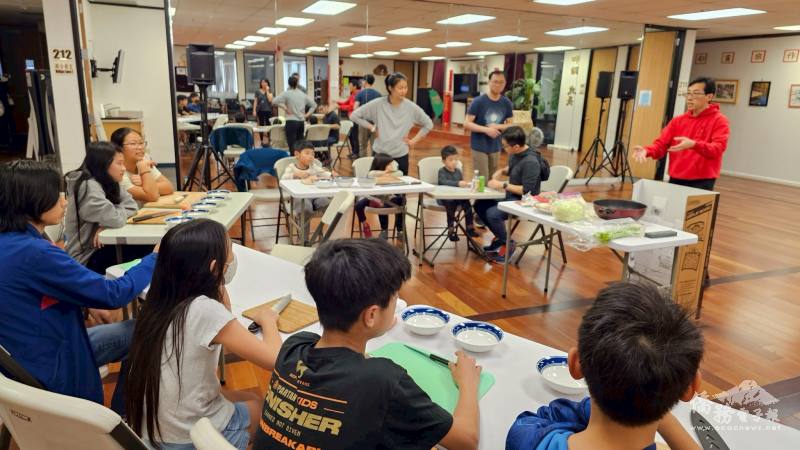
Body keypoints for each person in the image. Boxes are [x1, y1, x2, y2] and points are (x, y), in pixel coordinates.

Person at [252, 239, 481, 450]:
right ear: (371, 315)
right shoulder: (384, 380)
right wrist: (468, 382)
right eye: (395, 298)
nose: (396, 305)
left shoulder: (295, 346)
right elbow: (466, 440)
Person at [0, 160, 156, 406]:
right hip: (53, 361)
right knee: (152, 331)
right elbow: (113, 294)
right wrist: (156, 257)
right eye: (57, 195)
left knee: (140, 330)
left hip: (25, 357)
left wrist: (84, 305)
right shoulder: (35, 252)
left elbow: (31, 294)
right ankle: (121, 418)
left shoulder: (12, 242)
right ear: (33, 200)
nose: (64, 202)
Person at [126, 219, 281, 450]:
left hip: (150, 432)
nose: (232, 260)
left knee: (231, 395)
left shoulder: (159, 300)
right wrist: (269, 321)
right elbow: (273, 358)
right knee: (261, 407)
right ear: (213, 268)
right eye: (228, 256)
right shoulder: (203, 310)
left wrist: (216, 278)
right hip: (185, 439)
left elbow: (224, 313)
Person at [506, 282, 703, 450]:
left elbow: (543, 419)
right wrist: (653, 401)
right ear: (691, 386)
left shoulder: (529, 440)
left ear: (575, 364)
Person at [65, 141, 152, 274]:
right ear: (103, 165)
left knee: (152, 249)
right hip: (86, 259)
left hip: (103, 248)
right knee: (153, 250)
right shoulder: (88, 185)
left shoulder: (110, 181)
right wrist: (110, 219)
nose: (123, 168)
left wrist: (106, 223)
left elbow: (132, 206)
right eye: (119, 163)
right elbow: (115, 219)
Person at [633, 77, 729, 191]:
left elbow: (717, 149)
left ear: (709, 96)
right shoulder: (677, 121)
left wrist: (694, 144)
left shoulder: (719, 120)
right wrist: (647, 151)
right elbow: (661, 144)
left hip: (702, 180)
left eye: (696, 93)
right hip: (676, 177)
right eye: (688, 94)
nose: (689, 98)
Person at [474, 127, 549, 263]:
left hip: (525, 201)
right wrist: (502, 171)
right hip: (512, 196)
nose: (503, 149)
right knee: (479, 205)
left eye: (505, 146)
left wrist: (502, 185)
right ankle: (501, 239)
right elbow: (514, 169)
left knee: (492, 213)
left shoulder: (531, 162)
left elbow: (527, 191)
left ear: (515, 146)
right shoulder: (516, 154)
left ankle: (508, 244)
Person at [350, 72, 433, 175]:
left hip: (401, 154)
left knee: (400, 189)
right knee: (378, 188)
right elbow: (354, 115)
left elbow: (428, 124)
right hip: (380, 154)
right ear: (390, 88)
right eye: (400, 88)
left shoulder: (411, 107)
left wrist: (413, 141)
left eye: (405, 87)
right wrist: (372, 127)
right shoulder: (378, 104)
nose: (404, 91)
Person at [464, 70, 514, 180]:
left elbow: (511, 125)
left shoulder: (506, 103)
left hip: (496, 147)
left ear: (505, 84)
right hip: (479, 146)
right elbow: (466, 124)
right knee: (482, 179)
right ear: (489, 82)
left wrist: (497, 127)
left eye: (501, 82)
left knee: (492, 179)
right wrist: (486, 130)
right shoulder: (478, 101)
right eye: (495, 81)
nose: (498, 85)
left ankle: (489, 198)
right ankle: (479, 197)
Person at [282, 141, 334, 237]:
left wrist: (331, 174)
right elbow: (283, 179)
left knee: (328, 203)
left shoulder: (313, 167)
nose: (311, 156)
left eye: (313, 154)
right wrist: (295, 174)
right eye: (307, 153)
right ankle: (304, 240)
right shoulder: (292, 168)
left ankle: (320, 235)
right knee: (305, 208)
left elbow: (324, 173)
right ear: (297, 155)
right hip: (299, 197)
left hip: (315, 196)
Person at [110, 127, 175, 205]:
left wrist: (144, 182)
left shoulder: (143, 160)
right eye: (133, 144)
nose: (140, 147)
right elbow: (152, 196)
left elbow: (169, 187)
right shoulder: (117, 171)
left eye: (141, 143)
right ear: (118, 147)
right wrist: (145, 172)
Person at [354, 154, 404, 239]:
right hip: (374, 198)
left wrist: (387, 173)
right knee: (358, 205)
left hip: (389, 198)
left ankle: (400, 230)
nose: (391, 166)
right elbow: (372, 174)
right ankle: (367, 225)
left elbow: (400, 173)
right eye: (389, 164)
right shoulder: (372, 173)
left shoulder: (392, 173)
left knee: (401, 200)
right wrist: (386, 172)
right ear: (382, 164)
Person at [437, 146, 479, 242]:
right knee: (450, 203)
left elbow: (460, 185)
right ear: (443, 161)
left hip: (458, 197)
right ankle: (451, 229)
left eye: (456, 159)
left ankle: (469, 227)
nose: (454, 162)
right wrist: (457, 183)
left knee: (467, 204)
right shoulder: (442, 171)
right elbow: (442, 182)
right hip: (445, 198)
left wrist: (466, 185)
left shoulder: (458, 171)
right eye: (451, 160)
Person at [273, 74, 316, 152]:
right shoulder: (303, 94)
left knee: (292, 146)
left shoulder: (286, 93)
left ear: (289, 84)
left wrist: (284, 107)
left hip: (291, 122)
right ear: (297, 83)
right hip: (301, 122)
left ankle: (293, 162)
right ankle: (300, 162)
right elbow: (314, 105)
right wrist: (306, 115)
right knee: (300, 145)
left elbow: (274, 101)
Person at [354, 74, 382, 157]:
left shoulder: (360, 94)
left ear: (365, 81)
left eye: (362, 80)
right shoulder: (378, 94)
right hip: (375, 124)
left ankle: (363, 166)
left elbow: (355, 108)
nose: (362, 82)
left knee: (363, 145)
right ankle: (374, 165)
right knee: (374, 146)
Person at [253, 79, 273, 145]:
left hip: (268, 110)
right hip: (260, 110)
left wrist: (267, 91)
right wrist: (254, 110)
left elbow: (270, 100)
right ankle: (261, 140)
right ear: (260, 84)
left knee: (268, 125)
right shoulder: (257, 92)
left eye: (265, 82)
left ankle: (269, 140)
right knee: (261, 125)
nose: (264, 83)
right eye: (262, 82)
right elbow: (255, 101)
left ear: (268, 83)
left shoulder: (270, 90)